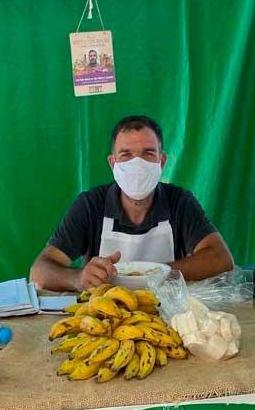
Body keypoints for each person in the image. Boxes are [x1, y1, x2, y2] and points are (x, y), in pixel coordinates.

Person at [30, 115, 234, 291]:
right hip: (105, 316)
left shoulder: (179, 202)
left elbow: (221, 259)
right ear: (113, 163)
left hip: (167, 312)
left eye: (148, 153)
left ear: (161, 162)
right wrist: (77, 278)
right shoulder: (90, 205)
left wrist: (158, 273)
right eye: (126, 154)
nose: (137, 163)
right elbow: (39, 272)